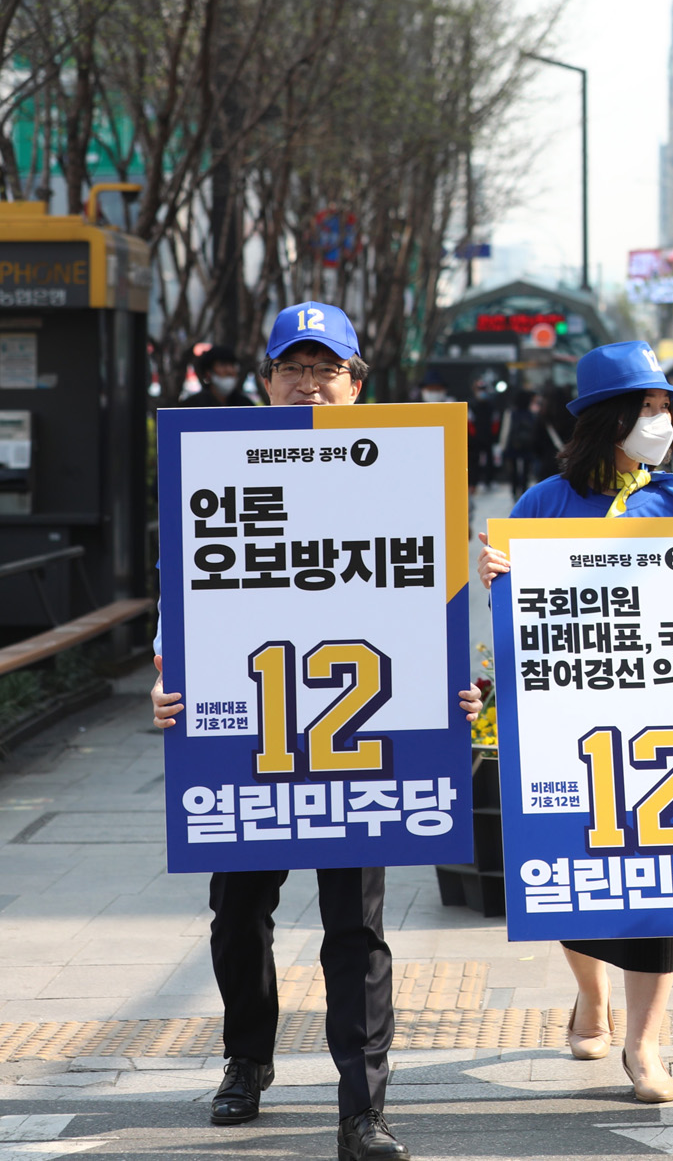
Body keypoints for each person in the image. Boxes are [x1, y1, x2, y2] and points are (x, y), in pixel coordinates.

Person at [454, 342, 673, 1105]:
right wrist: (494, 574)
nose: (661, 421)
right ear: (609, 419)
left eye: (665, 407)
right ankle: (591, 994)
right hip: (568, 720)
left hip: (662, 719)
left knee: (663, 880)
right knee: (574, 874)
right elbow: (508, 599)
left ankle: (646, 1044)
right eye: (647, 408)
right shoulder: (543, 501)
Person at [150, 302, 410, 1161]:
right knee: (237, 913)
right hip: (246, 738)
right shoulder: (217, 470)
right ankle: (245, 1060)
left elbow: (428, 599)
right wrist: (165, 677)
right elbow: (187, 589)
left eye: (325, 368)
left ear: (356, 385)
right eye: (292, 368)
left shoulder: (402, 472)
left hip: (357, 742)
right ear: (265, 382)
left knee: (356, 926)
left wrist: (457, 688)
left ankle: (361, 1108)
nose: (308, 383)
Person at [178, 344, 254, 406]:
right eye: (222, 365)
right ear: (208, 373)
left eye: (232, 365)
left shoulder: (246, 405)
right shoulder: (193, 406)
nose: (230, 371)